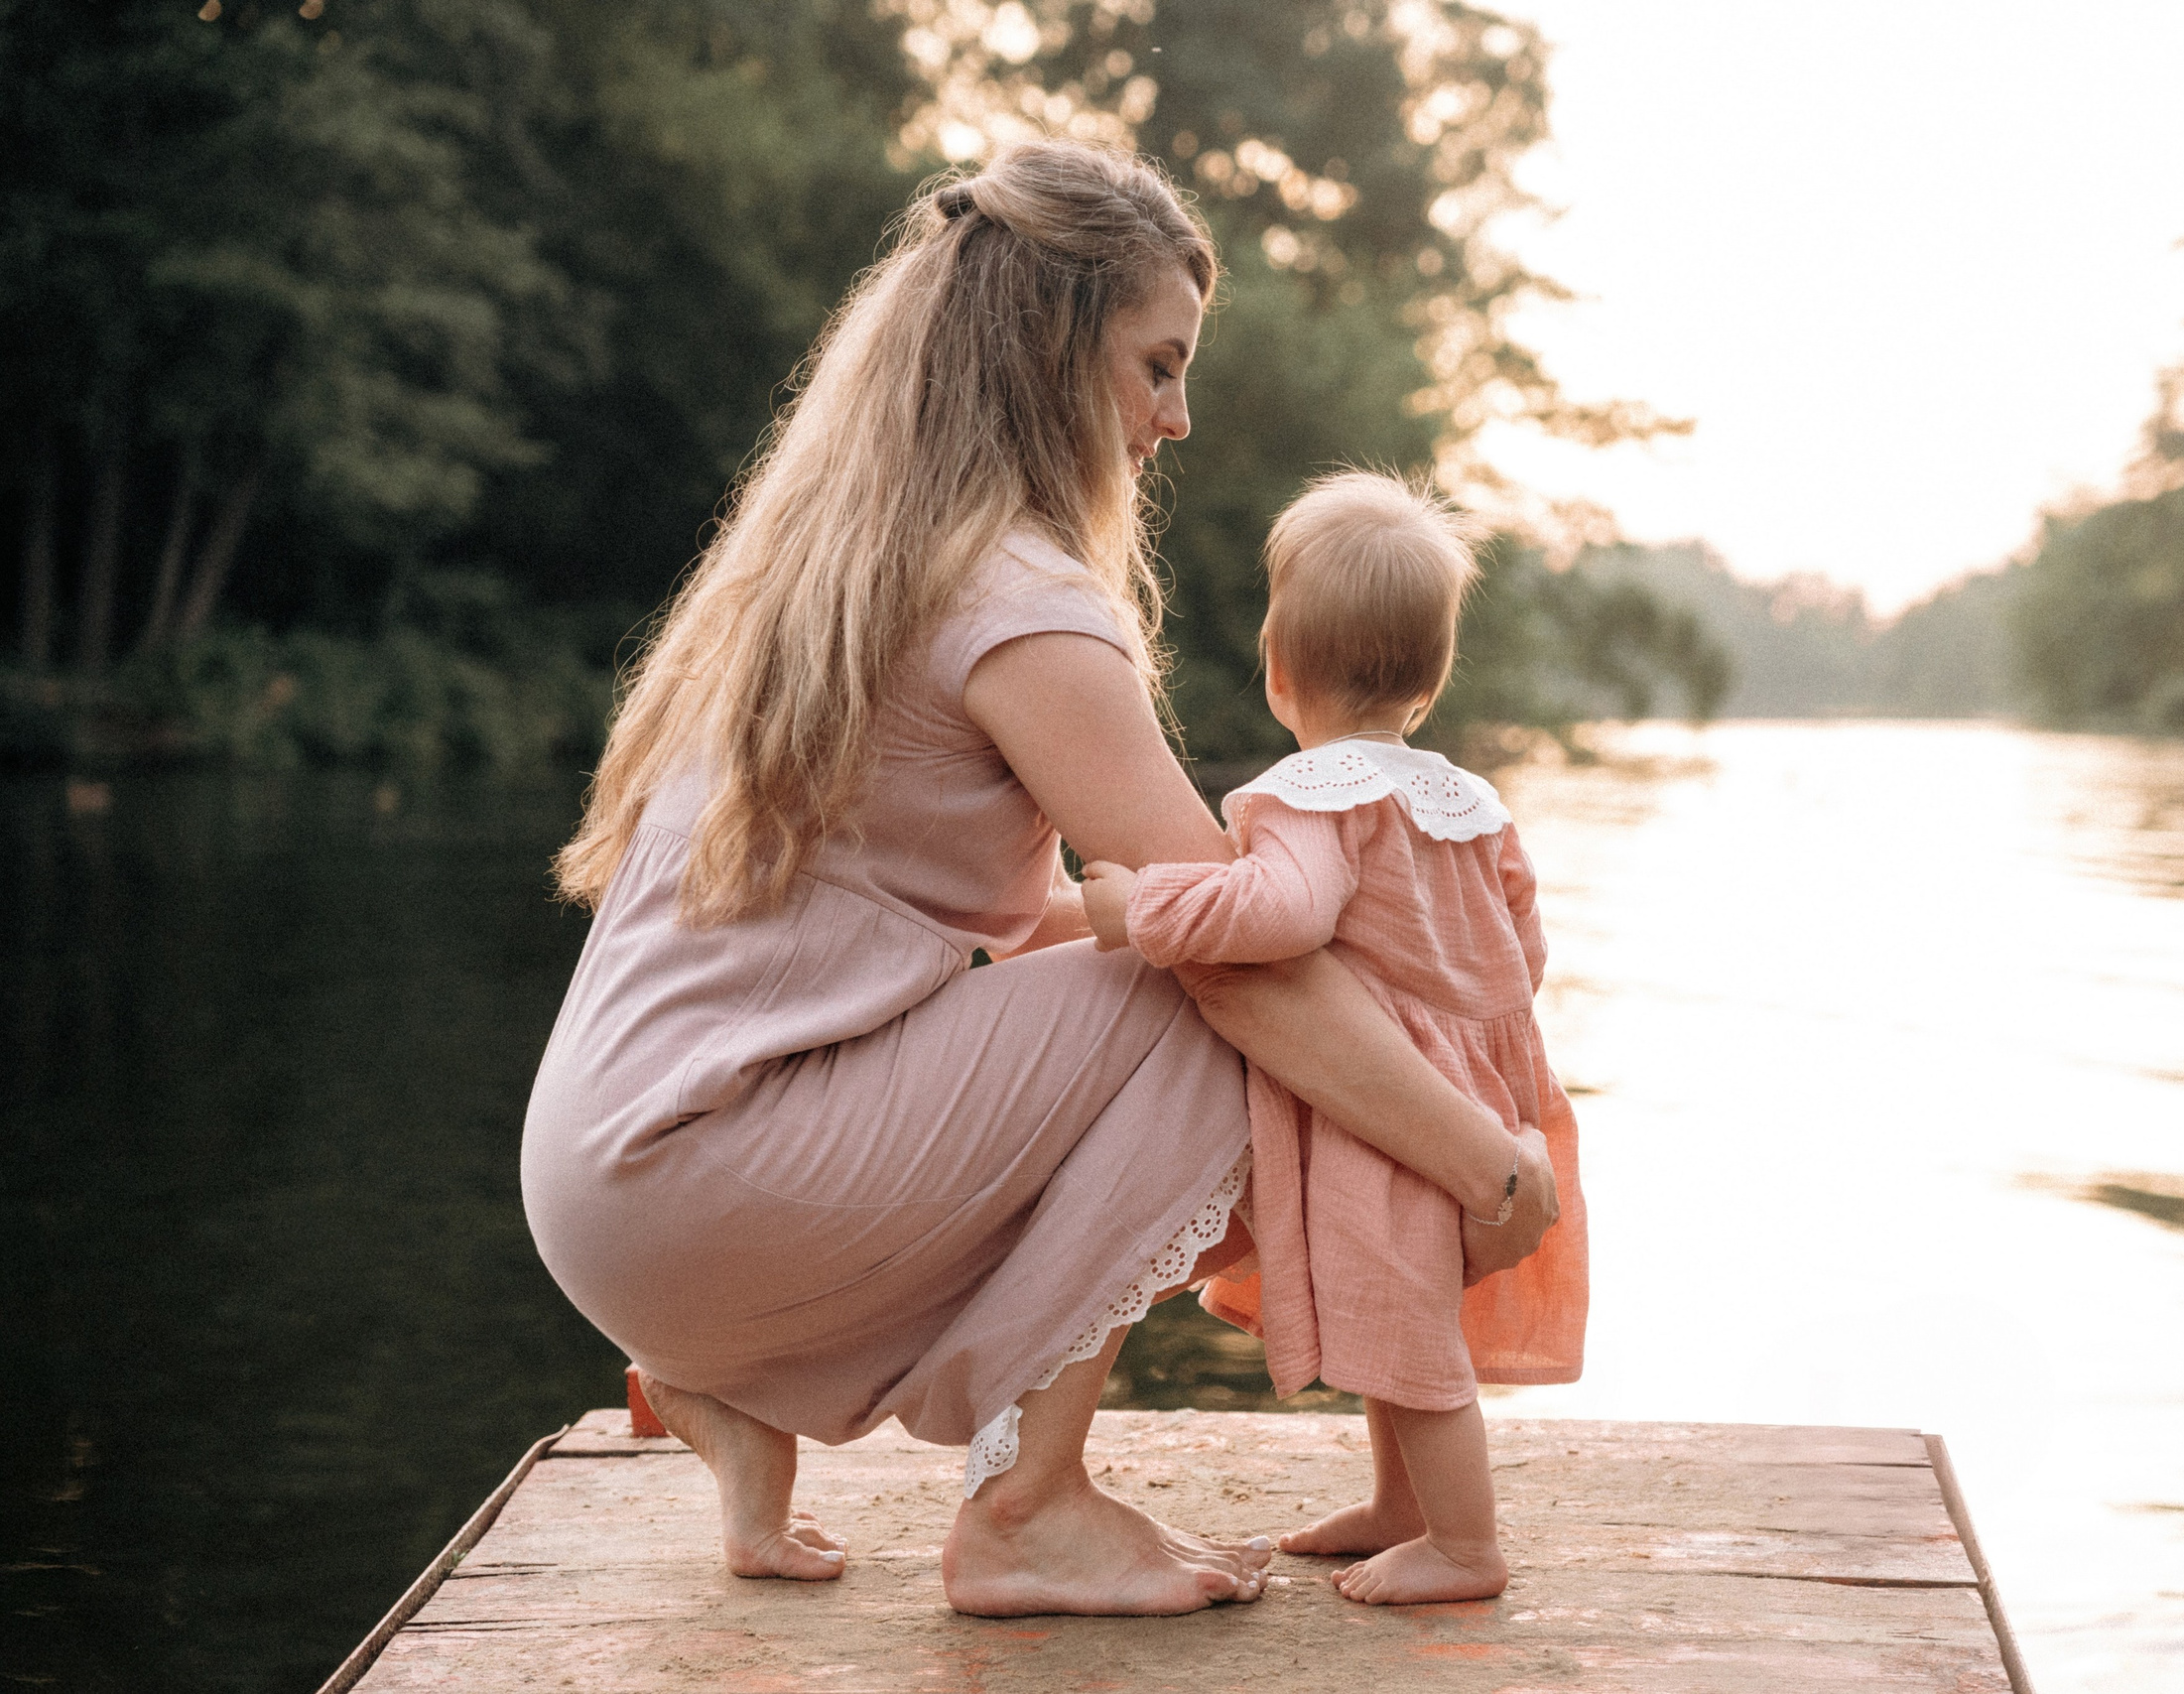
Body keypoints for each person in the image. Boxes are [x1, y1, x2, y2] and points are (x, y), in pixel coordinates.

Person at [521, 140, 1558, 1621]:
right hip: (709, 1174)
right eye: (1157, 366)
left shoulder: (838, 563)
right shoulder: (1019, 603)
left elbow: (1028, 925)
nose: (1176, 417)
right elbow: (1230, 948)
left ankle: (730, 1383)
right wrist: (1484, 1156)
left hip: (610, 1176)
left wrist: (1141, 916)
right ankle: (1026, 1506)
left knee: (1169, 962)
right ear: (1054, 354)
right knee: (1215, 1001)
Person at [1080, 471, 1589, 1605]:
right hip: (1489, 1097)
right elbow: (1526, 948)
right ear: (1430, 673)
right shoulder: (1467, 798)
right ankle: (1400, 1508)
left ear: (1277, 668)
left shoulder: (1310, 794)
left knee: (1411, 1336)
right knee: (1401, 1304)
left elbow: (1283, 916)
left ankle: (1464, 1545)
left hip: (1389, 1104)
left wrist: (1139, 907)